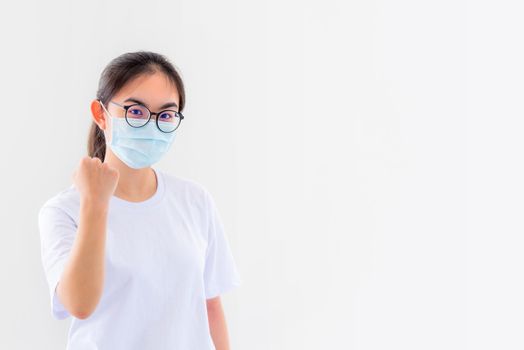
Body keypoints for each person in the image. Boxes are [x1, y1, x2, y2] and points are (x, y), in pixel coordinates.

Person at [38, 51, 242, 350]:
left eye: (166, 114)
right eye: (136, 111)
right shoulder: (64, 211)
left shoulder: (194, 201)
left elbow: (210, 306)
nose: (151, 124)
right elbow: (79, 304)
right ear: (100, 114)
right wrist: (95, 203)